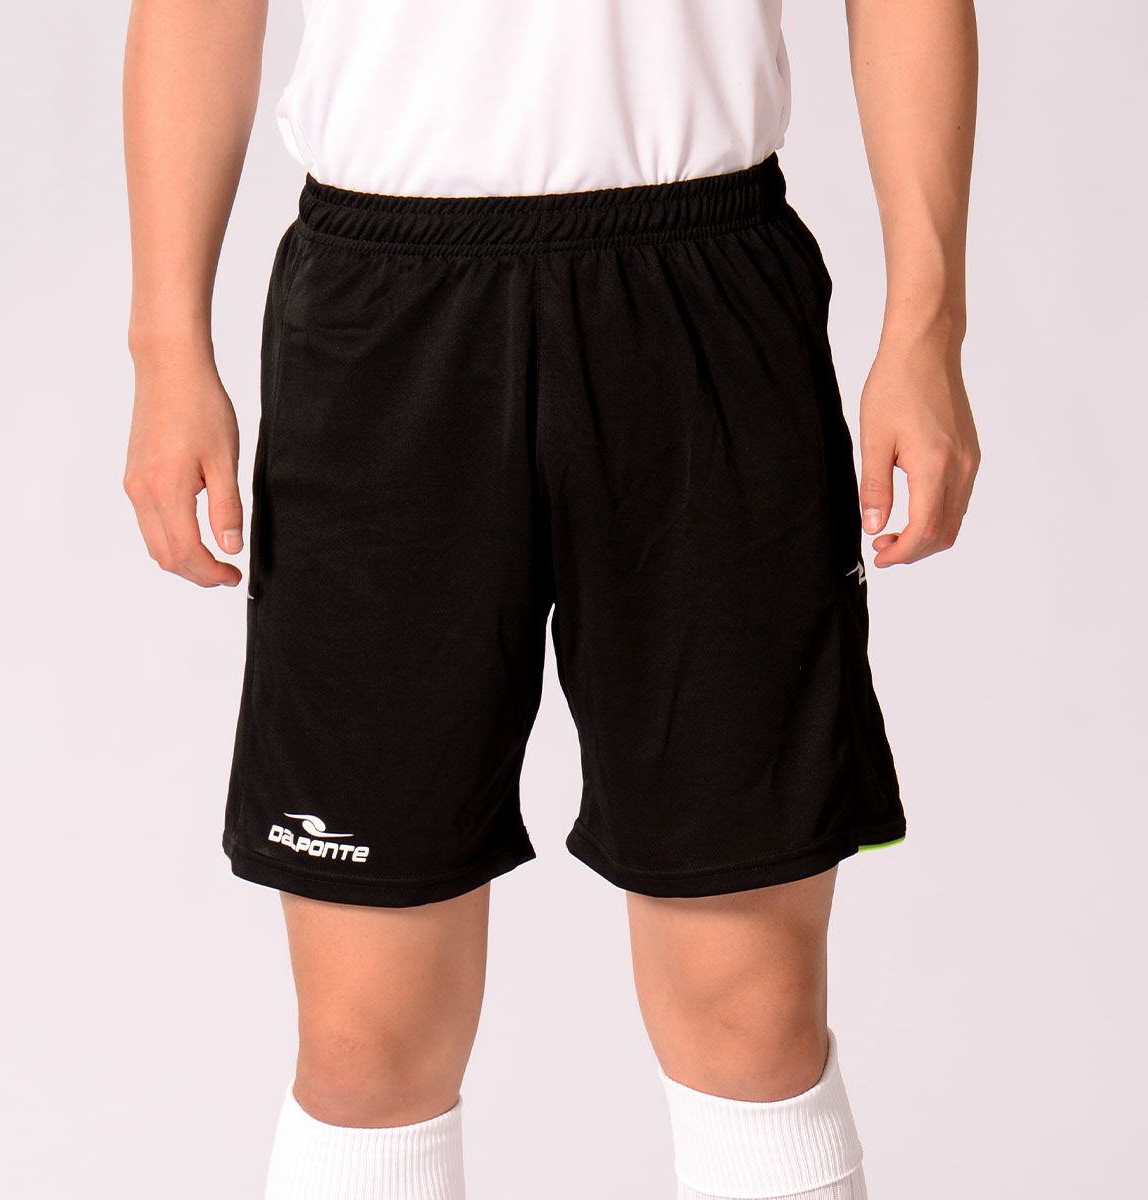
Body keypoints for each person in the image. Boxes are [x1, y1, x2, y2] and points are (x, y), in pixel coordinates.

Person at [122, 1, 980, 1195]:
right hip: (384, 319)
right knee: (367, 1044)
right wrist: (166, 347)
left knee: (756, 1016)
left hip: (702, 294)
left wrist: (927, 329)